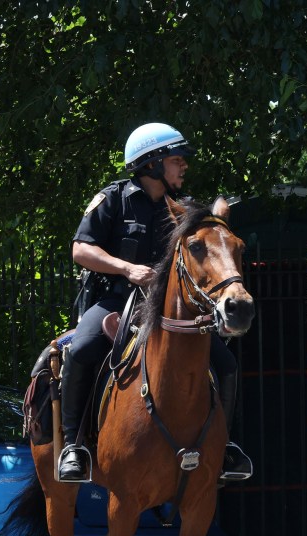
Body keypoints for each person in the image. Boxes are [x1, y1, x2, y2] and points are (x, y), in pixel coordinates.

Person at [58, 122, 253, 484]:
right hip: (116, 300)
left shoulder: (185, 209)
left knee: (225, 363)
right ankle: (73, 447)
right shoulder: (113, 199)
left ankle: (223, 448)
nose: (184, 167)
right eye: (177, 160)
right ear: (152, 163)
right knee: (82, 348)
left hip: (171, 309)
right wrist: (126, 268)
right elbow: (80, 249)